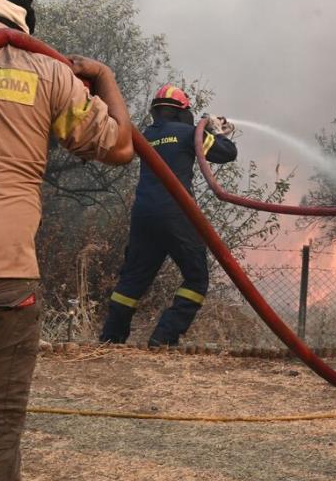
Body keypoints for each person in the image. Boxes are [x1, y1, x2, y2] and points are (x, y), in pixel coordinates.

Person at [0, 0, 134, 481]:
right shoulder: (47, 72)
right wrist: (106, 79)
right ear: (26, 15)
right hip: (5, 280)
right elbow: (120, 147)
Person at [100, 85, 236, 347]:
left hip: (144, 216)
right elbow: (226, 154)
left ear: (156, 111)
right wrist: (218, 132)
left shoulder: (145, 135)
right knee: (197, 278)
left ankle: (110, 338)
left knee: (133, 279)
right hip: (177, 214)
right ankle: (164, 336)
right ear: (183, 112)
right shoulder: (187, 133)